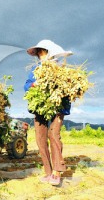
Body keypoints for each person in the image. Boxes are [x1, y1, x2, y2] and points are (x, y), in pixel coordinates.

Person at [24, 39, 72, 186]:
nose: (40, 55)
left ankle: (57, 173)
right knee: (40, 138)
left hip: (57, 107)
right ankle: (48, 172)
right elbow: (26, 86)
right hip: (40, 108)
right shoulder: (36, 69)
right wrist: (34, 84)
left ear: (49, 52)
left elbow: (68, 86)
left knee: (54, 135)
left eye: (42, 52)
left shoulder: (60, 68)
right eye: (38, 53)